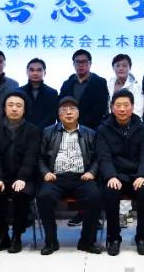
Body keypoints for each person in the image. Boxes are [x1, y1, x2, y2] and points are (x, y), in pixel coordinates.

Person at [35, 96, 103, 255]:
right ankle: (51, 241)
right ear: (59, 114)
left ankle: (87, 241)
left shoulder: (90, 133)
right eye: (64, 110)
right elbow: (39, 157)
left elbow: (98, 158)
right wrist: (45, 173)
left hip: (82, 178)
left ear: (78, 113)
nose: (68, 112)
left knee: (94, 195)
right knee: (44, 196)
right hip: (55, 178)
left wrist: (91, 172)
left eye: (72, 109)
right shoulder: (48, 132)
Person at [96, 90, 144, 256]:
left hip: (136, 175)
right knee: (110, 191)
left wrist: (142, 175)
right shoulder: (103, 129)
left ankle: (142, 237)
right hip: (116, 174)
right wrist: (111, 176)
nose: (122, 109)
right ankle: (114, 238)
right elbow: (103, 157)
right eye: (118, 105)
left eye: (126, 105)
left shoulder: (143, 128)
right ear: (112, 107)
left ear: (132, 107)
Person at [0, 90, 41, 253]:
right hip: (1, 177)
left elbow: (31, 157)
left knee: (21, 194)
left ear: (24, 109)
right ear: (4, 108)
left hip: (25, 178)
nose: (14, 108)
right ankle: (2, 235)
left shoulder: (33, 131)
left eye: (18, 105)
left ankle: (17, 235)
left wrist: (22, 177)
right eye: (10, 105)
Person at [60, 48, 109, 130]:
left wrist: (79, 126)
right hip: (68, 128)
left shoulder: (100, 83)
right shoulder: (67, 84)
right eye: (77, 62)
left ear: (90, 63)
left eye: (84, 62)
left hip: (92, 129)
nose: (80, 65)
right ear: (73, 64)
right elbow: (61, 106)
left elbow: (100, 109)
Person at [20, 58, 58, 129]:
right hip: (23, 132)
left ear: (45, 73)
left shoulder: (52, 93)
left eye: (39, 70)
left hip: (46, 132)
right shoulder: (19, 92)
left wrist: (39, 130)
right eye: (32, 70)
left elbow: (52, 116)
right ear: (27, 72)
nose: (35, 73)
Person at [108, 53, 144, 118]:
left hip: (130, 122)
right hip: (109, 121)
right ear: (113, 68)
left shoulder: (136, 87)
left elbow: (138, 112)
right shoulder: (108, 84)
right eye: (117, 66)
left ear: (130, 68)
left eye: (124, 66)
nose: (121, 68)